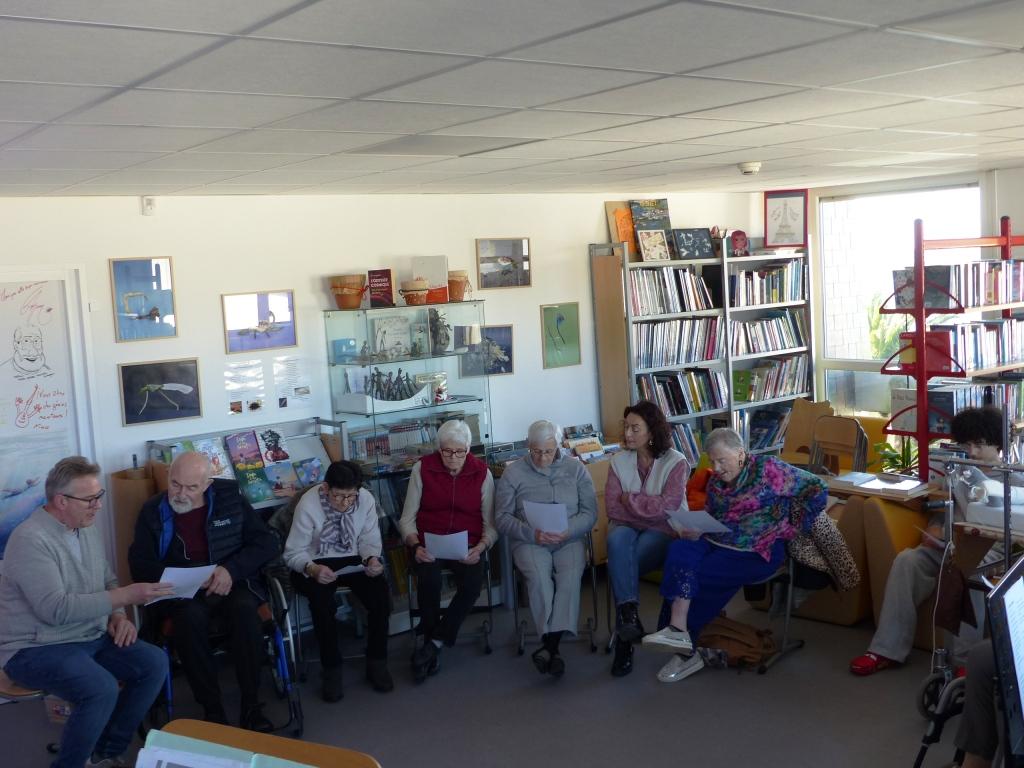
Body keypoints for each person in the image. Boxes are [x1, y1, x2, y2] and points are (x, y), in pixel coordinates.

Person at [0, 456, 172, 768]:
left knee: (153, 663)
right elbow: (56, 609)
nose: (98, 505)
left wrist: (118, 616)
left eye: (99, 496)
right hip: (32, 647)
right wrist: (126, 596)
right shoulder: (29, 539)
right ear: (61, 501)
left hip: (87, 634)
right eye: (90, 499)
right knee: (100, 688)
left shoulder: (85, 527)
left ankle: (104, 752)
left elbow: (106, 580)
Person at [641, 427, 827, 683]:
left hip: (757, 549)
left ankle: (687, 650)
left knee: (702, 574)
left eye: (722, 460)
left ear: (740, 453)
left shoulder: (768, 469)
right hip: (719, 539)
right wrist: (696, 528)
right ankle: (677, 627)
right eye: (712, 461)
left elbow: (817, 488)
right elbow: (713, 515)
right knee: (679, 550)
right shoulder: (716, 483)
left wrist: (795, 527)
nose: (716, 468)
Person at [849, 406, 1023, 676]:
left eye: (979, 444)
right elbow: (944, 510)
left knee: (966, 572)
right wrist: (935, 528)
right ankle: (886, 650)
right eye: (967, 444)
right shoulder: (959, 472)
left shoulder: (1015, 479)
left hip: (992, 551)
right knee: (907, 561)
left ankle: (965, 664)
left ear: (997, 443)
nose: (972, 452)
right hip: (951, 544)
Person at [128, 451, 279, 731]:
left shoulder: (231, 500)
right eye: (175, 484)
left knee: (245, 611)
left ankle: (251, 705)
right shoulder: (153, 511)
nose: (180, 494)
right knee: (188, 619)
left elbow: (266, 543)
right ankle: (213, 710)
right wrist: (180, 579)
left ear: (207, 485)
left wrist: (231, 570)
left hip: (231, 582)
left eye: (191, 487)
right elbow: (140, 564)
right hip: (181, 592)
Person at [283, 459, 393, 701]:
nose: (345, 503)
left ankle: (377, 661)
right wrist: (312, 569)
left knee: (380, 598)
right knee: (322, 605)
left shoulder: (365, 500)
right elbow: (293, 553)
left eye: (350, 496)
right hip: (313, 561)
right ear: (325, 488)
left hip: (353, 558)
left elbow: (369, 539)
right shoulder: (309, 504)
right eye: (338, 496)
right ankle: (331, 667)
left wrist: (372, 559)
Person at [495, 420, 597, 677]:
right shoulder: (513, 473)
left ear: (558, 446)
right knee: (539, 578)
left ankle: (550, 647)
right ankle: (552, 646)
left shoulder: (576, 469)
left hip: (569, 538)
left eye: (548, 452)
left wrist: (568, 530)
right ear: (528, 446)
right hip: (530, 540)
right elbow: (502, 518)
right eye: (536, 451)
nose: (542, 458)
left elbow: (590, 513)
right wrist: (532, 533)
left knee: (570, 576)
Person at [399, 419, 497, 683]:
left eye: (459, 452)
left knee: (472, 585)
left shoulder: (482, 473)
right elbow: (406, 519)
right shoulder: (423, 468)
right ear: (438, 449)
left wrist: (481, 547)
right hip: (427, 544)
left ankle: (434, 643)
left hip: (468, 544)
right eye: (447, 451)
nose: (453, 457)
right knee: (428, 580)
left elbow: (491, 525)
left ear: (468, 449)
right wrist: (415, 545)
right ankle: (431, 643)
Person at [605, 400, 690, 678]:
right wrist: (646, 508)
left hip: (665, 531)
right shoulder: (618, 461)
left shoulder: (676, 462)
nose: (627, 434)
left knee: (623, 560)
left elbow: (668, 507)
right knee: (617, 541)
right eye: (626, 427)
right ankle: (628, 619)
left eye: (635, 428)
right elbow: (613, 508)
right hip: (627, 528)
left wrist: (630, 500)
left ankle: (625, 638)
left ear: (652, 431)